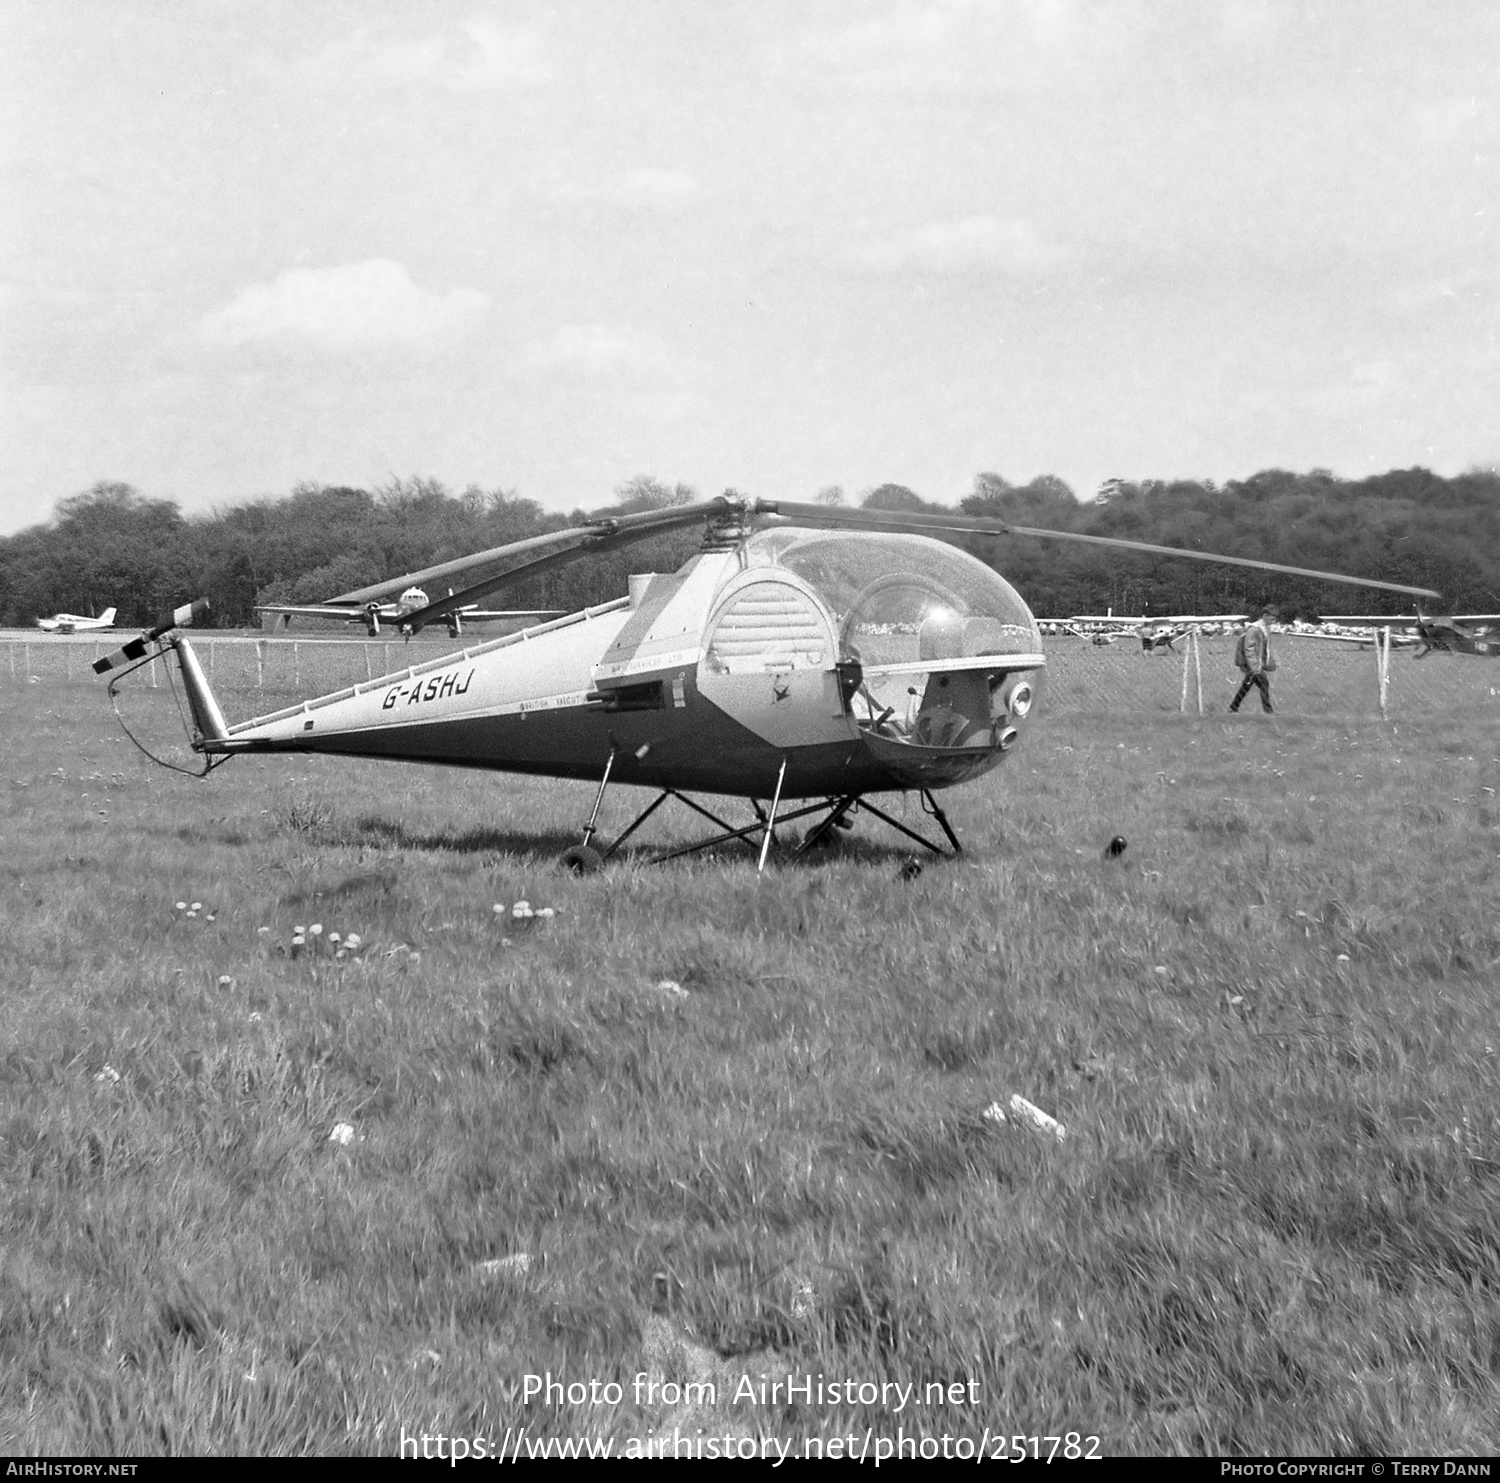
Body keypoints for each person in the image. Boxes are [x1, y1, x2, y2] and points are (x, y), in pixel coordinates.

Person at [1230, 605, 1278, 713]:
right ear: (1265, 615)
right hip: (1252, 663)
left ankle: (1233, 707)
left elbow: (1265, 649)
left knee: (1247, 685)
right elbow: (1249, 648)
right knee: (1264, 683)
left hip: (1256, 663)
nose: (1273, 621)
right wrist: (1254, 667)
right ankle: (1268, 711)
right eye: (1272, 618)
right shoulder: (1254, 629)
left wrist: (1269, 663)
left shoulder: (1265, 628)